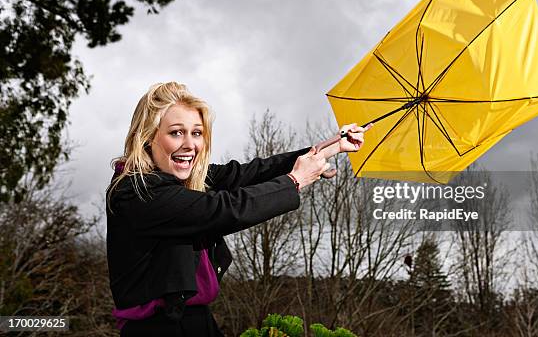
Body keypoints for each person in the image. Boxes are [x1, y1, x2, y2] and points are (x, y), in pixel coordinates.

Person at [105, 82, 367, 336]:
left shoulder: (184, 180)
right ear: (148, 137)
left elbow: (248, 174)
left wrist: (330, 147)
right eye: (176, 133)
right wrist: (296, 180)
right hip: (159, 328)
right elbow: (224, 210)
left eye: (196, 133)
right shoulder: (136, 191)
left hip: (196, 321)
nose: (190, 145)